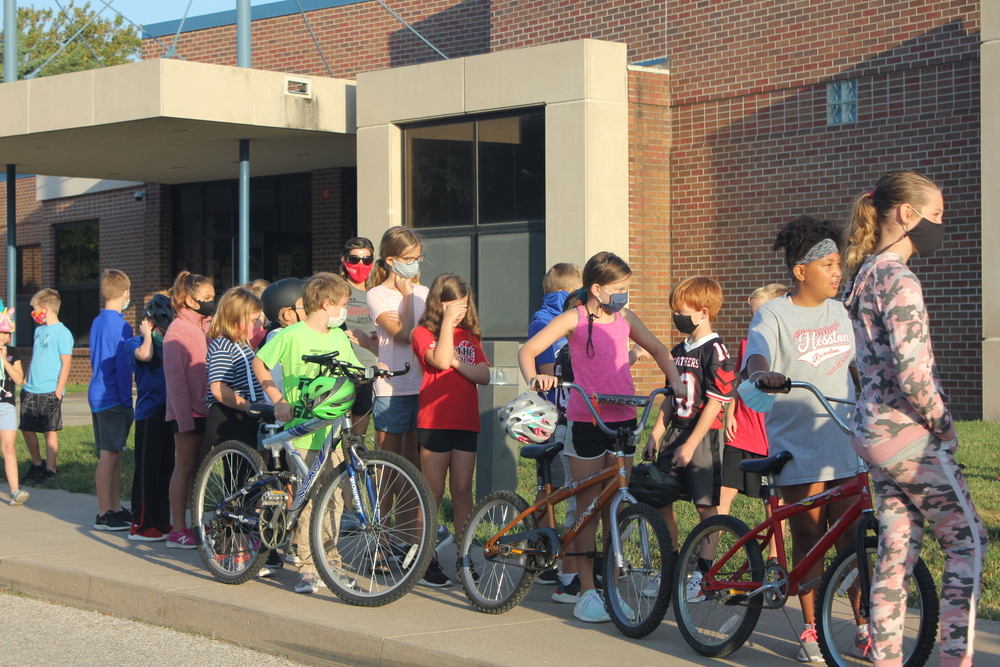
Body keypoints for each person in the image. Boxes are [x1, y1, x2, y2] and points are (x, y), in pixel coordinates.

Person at [843, 170, 986, 667]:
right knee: (968, 541)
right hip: (909, 436)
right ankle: (955, 659)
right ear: (906, 213)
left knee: (896, 552)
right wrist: (944, 426)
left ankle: (884, 658)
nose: (940, 225)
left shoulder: (864, 273)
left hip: (872, 434)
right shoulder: (899, 277)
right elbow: (914, 374)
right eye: (937, 214)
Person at [518, 251, 685, 624]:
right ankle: (586, 591)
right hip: (586, 420)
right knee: (589, 506)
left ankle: (609, 587)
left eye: (627, 288)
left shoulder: (623, 317)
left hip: (623, 420)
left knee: (617, 506)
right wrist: (535, 379)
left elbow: (659, 349)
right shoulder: (573, 318)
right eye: (619, 288)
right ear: (597, 288)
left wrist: (674, 379)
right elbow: (527, 350)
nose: (625, 295)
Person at [742, 216, 859, 662]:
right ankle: (810, 630)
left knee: (853, 542)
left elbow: (857, 365)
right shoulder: (774, 313)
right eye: (828, 264)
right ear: (800, 271)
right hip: (798, 446)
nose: (837, 272)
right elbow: (757, 353)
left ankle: (863, 627)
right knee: (809, 541)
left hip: (844, 442)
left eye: (838, 264)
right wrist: (760, 373)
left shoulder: (842, 312)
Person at [254, 272, 361, 595]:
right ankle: (308, 568)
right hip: (302, 429)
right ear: (326, 304)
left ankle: (332, 563)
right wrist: (278, 401)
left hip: (334, 429)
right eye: (343, 304)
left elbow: (353, 368)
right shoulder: (291, 335)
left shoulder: (338, 336)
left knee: (336, 500)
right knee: (312, 499)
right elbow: (260, 364)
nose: (345, 310)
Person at [643, 277, 735, 573]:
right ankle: (670, 563)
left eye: (681, 310)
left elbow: (715, 403)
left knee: (705, 505)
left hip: (703, 438)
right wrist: (656, 435)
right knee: (659, 497)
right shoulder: (679, 350)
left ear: (703, 312)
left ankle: (705, 571)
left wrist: (691, 444)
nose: (676, 317)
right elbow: (670, 397)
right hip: (675, 433)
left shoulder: (716, 351)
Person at [410, 273, 490, 587]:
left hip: (466, 421)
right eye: (453, 306)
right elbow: (440, 361)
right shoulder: (422, 333)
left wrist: (459, 363)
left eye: (464, 305)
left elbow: (483, 374)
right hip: (435, 421)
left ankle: (464, 557)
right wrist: (446, 326)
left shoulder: (470, 336)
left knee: (461, 491)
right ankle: (425, 557)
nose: (459, 311)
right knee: (431, 492)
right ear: (439, 305)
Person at [528, 263, 581, 587]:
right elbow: (549, 371)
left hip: (562, 414)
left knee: (556, 486)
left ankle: (548, 553)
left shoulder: (548, 315)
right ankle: (544, 553)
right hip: (554, 416)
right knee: (551, 486)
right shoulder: (547, 321)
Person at [718, 284, 788, 531]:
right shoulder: (747, 343)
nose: (755, 321)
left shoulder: (786, 344)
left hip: (769, 433)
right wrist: (730, 412)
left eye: (760, 314)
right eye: (752, 315)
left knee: (773, 501)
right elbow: (739, 381)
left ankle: (774, 558)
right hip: (743, 431)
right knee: (723, 493)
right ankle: (710, 557)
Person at [365, 228, 427, 471]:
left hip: (421, 385)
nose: (414, 264)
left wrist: (405, 320)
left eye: (417, 259)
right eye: (408, 259)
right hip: (392, 389)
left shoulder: (425, 293)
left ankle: (411, 511)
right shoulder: (376, 295)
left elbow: (427, 332)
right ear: (390, 260)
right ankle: (382, 511)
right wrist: (408, 299)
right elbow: (403, 335)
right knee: (387, 464)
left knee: (415, 462)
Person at [163, 271, 215, 550]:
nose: (210, 302)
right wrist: (183, 418)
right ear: (188, 300)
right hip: (186, 413)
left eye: (212, 297)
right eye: (205, 299)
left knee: (199, 470)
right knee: (183, 467)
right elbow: (175, 380)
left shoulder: (200, 327)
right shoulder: (177, 331)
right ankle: (177, 528)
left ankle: (195, 521)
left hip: (204, 410)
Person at [126, 294, 175, 541]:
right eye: (160, 327)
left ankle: (162, 521)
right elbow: (144, 356)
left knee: (166, 468)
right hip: (148, 413)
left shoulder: (169, 342)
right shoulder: (135, 342)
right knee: (147, 469)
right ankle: (142, 524)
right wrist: (147, 334)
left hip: (169, 411)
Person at [89, 269, 136, 531]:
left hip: (98, 394)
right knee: (109, 455)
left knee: (115, 454)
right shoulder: (122, 326)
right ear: (126, 292)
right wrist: (126, 400)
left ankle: (115, 507)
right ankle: (105, 511)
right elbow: (122, 367)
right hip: (112, 398)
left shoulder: (98, 321)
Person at [20, 288, 73, 486]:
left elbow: (66, 363)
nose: (33, 313)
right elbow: (35, 357)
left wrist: (59, 390)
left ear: (45, 308)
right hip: (31, 389)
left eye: (35, 309)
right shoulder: (39, 331)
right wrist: (26, 380)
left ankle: (51, 468)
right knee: (27, 428)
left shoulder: (63, 333)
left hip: (50, 390)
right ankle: (37, 464)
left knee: (50, 430)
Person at [204, 287, 266, 450]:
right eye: (253, 321)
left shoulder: (241, 345)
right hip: (227, 416)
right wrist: (249, 407)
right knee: (241, 471)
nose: (256, 326)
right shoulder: (222, 345)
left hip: (244, 416)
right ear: (236, 318)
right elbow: (218, 388)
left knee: (249, 470)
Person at [339, 237, 381, 436]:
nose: (360, 265)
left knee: (359, 435)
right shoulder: (339, 290)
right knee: (338, 435)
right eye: (354, 259)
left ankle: (355, 467)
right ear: (344, 260)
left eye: (366, 259)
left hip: (368, 371)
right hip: (341, 370)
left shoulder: (377, 293)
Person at [0, 307, 27, 506]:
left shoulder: (13, 352)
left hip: (6, 405)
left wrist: (3, 359)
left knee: (9, 447)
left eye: (7, 334)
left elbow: (19, 379)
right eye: (2, 333)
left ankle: (15, 491)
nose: (5, 337)